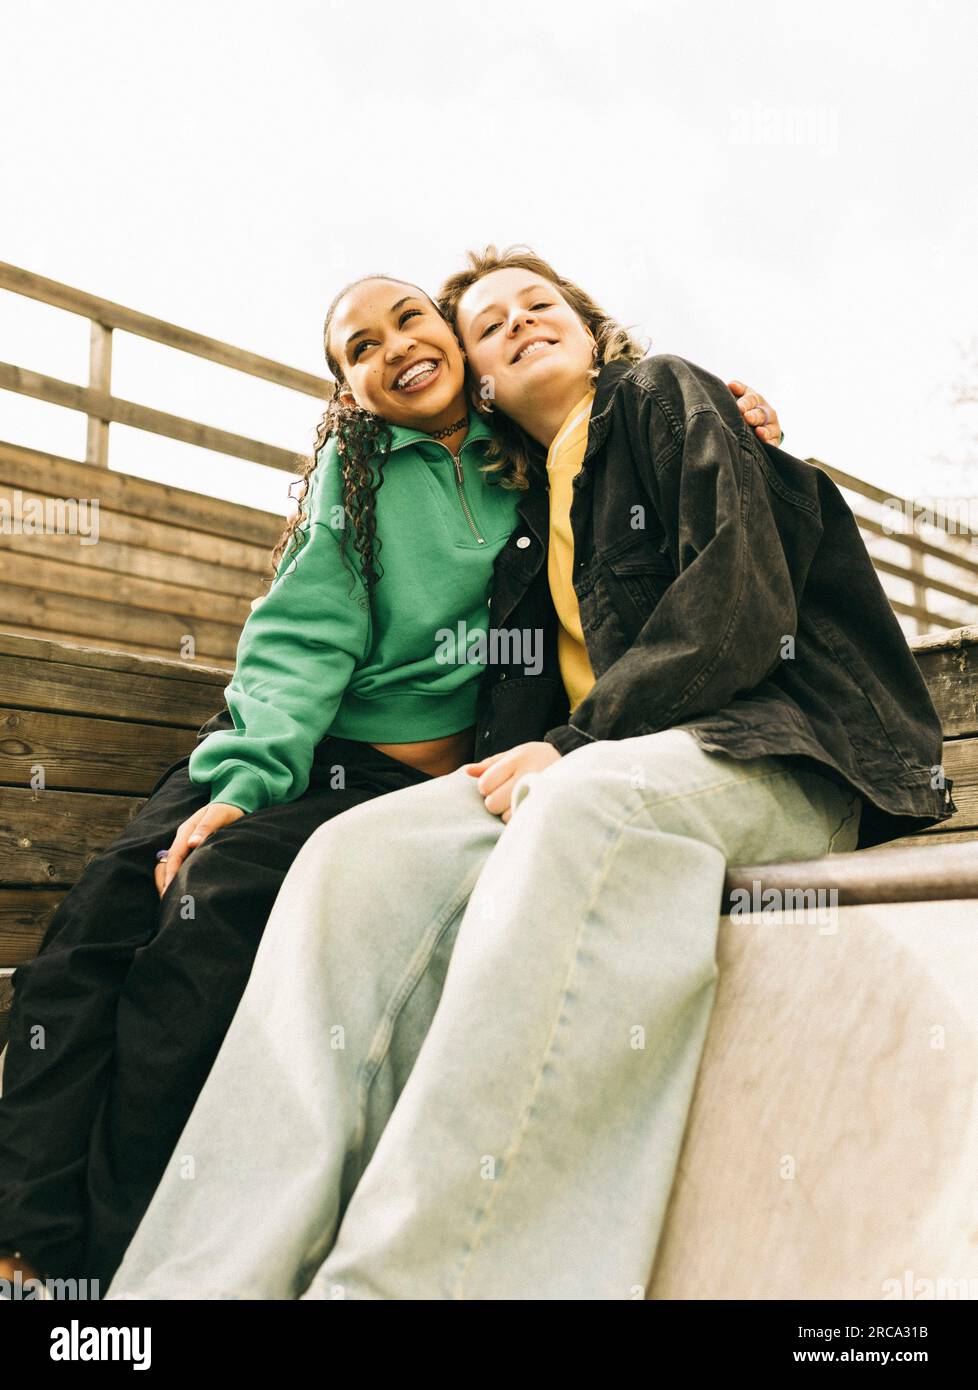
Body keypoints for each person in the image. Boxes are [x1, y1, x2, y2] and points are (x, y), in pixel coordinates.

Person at [104, 245, 952, 1301]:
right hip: (611, 759)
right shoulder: (522, 528)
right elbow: (493, 712)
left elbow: (739, 605)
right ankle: (198, 1281)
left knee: (580, 802)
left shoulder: (663, 396)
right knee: (352, 855)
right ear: (483, 385)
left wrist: (572, 747)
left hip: (782, 748)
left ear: (591, 331)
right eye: (489, 325)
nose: (514, 324)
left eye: (537, 304)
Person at [4, 273, 783, 1294]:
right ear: (350, 392)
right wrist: (242, 783)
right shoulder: (359, 473)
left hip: (395, 788)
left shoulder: (544, 458)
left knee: (203, 925)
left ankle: (117, 1267)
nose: (395, 347)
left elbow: (639, 442)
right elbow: (304, 636)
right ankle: (26, 1250)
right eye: (359, 348)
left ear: (459, 346)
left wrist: (746, 419)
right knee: (102, 920)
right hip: (291, 746)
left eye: (412, 319)